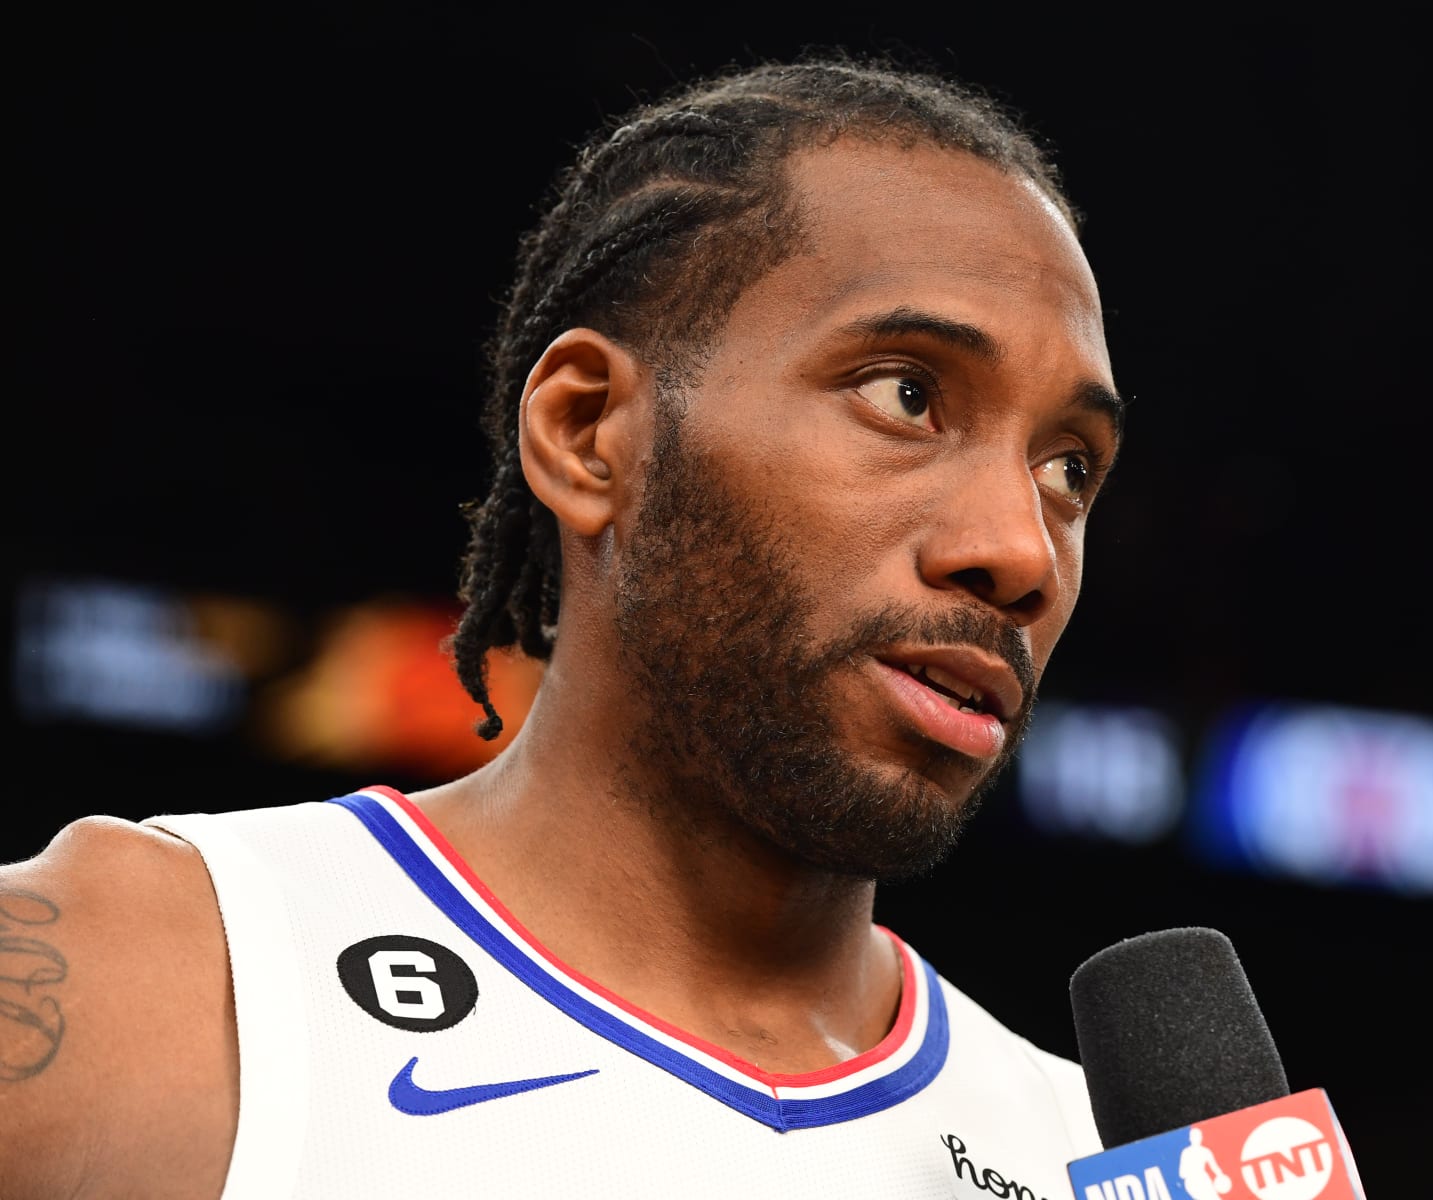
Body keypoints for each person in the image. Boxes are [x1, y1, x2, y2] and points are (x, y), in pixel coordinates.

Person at [0, 57, 1123, 1198]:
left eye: (1069, 468)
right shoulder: (136, 978)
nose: (1023, 549)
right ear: (589, 433)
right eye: (907, 396)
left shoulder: (1106, 1159)